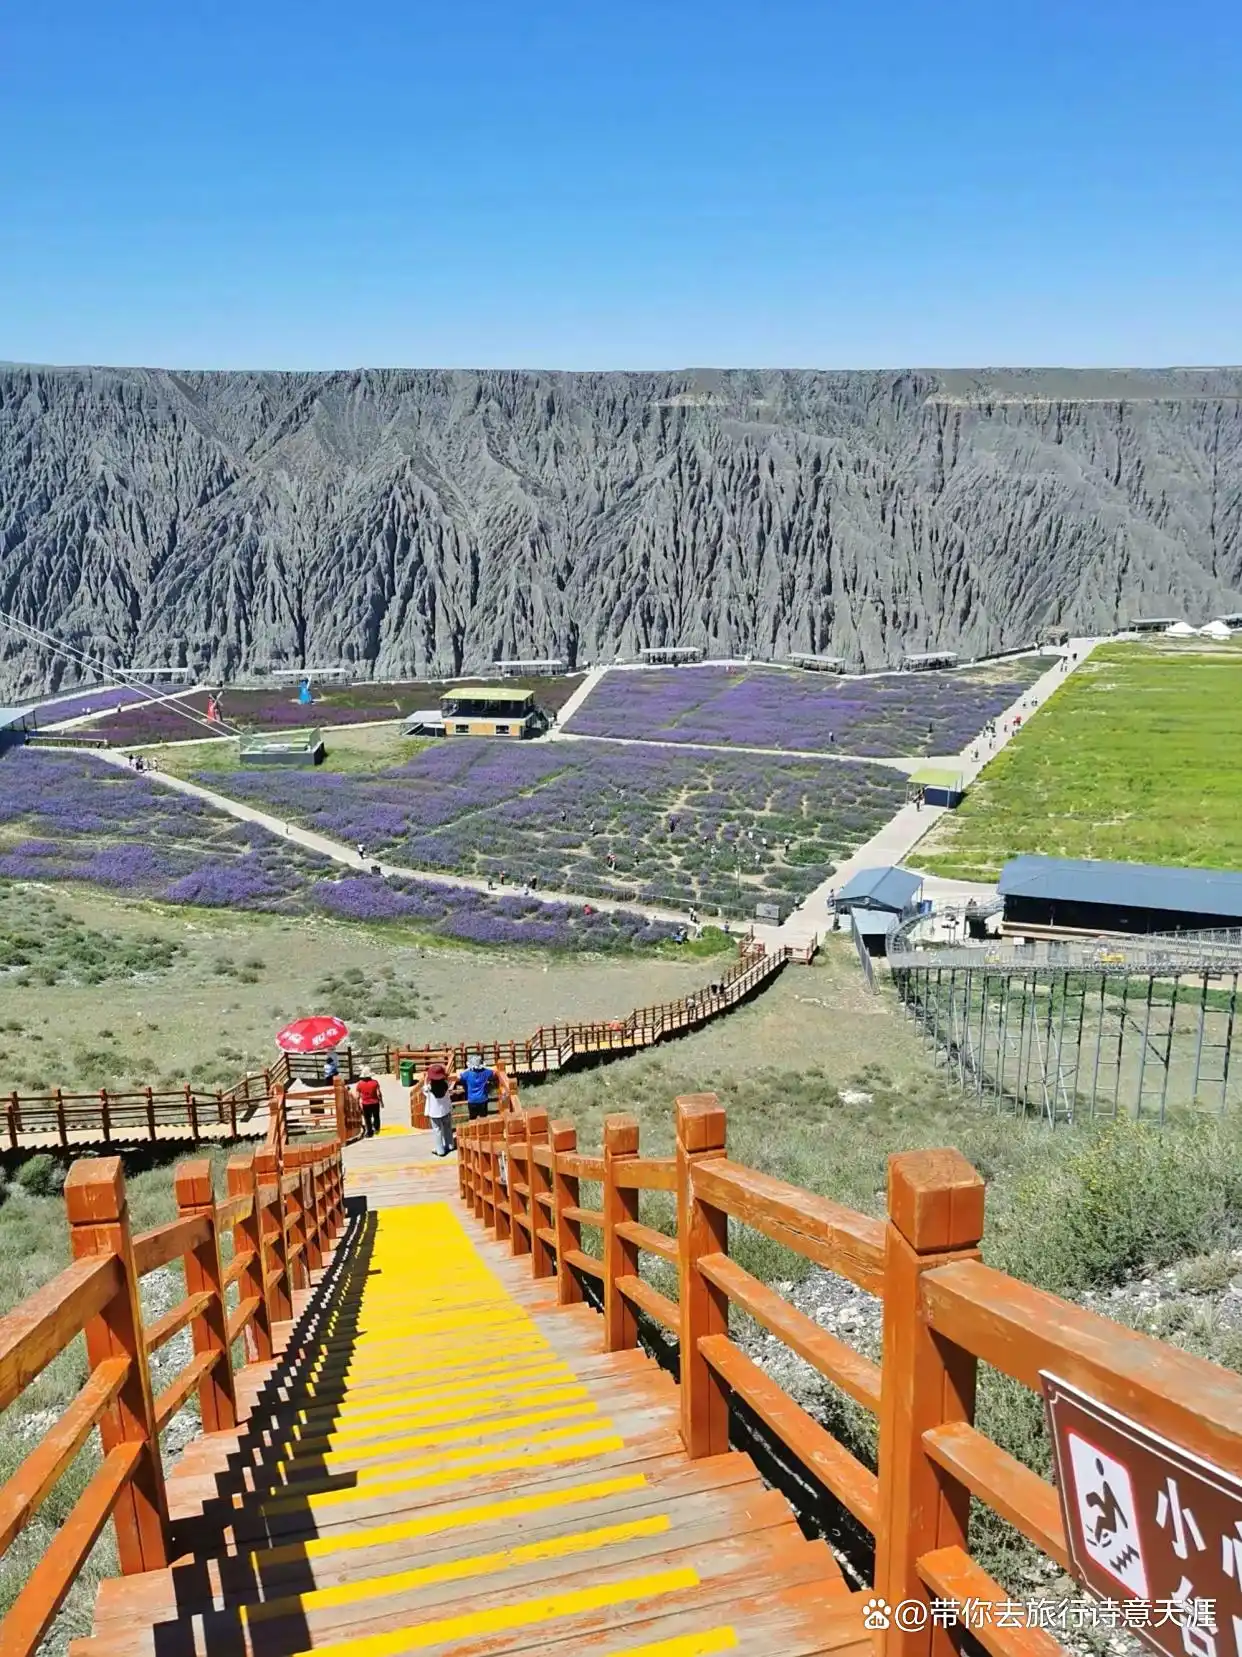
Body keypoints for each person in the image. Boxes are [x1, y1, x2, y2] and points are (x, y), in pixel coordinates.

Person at [424, 1062, 456, 1156]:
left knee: (437, 1131)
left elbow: (424, 1089)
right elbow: (446, 1079)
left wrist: (426, 1079)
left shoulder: (429, 1088)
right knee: (447, 1128)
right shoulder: (446, 1085)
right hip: (446, 1110)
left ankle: (440, 1150)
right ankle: (450, 1145)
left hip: (434, 1113)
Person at [462, 1055, 496, 1120]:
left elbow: (460, 1076)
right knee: (484, 1120)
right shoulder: (486, 1072)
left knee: (472, 1120)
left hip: (472, 1100)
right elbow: (493, 1072)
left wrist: (468, 1069)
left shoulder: (467, 1073)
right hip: (483, 1099)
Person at [356, 1071, 382, 1137]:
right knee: (376, 1116)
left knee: (367, 1118)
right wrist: (381, 1102)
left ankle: (369, 1132)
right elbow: (379, 1093)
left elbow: (357, 1096)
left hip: (365, 1103)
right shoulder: (375, 1082)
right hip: (375, 1102)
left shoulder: (359, 1084)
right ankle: (376, 1129)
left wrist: (357, 1105)